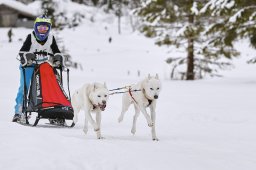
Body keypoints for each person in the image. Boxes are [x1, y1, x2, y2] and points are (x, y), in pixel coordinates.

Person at [12, 15, 62, 122]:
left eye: (45, 28)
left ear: (49, 28)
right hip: (28, 65)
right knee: (24, 87)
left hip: (42, 66)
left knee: (48, 87)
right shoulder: (30, 37)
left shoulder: (51, 38)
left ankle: (51, 112)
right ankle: (19, 112)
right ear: (36, 27)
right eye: (40, 28)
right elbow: (22, 52)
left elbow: (56, 51)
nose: (42, 30)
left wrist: (58, 58)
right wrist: (28, 56)